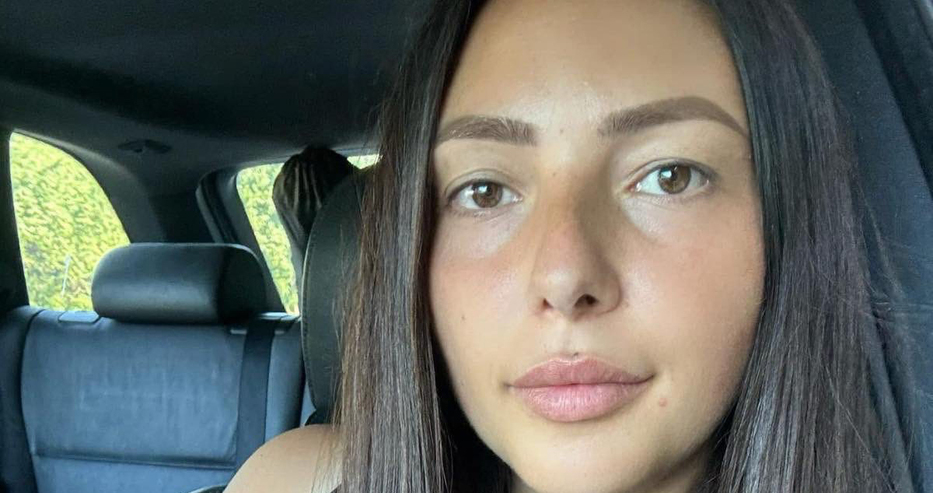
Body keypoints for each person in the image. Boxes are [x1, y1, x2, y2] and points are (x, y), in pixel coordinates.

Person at [227, 0, 913, 492]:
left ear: (784, 226)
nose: (563, 275)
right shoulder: (300, 481)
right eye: (484, 191)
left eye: (669, 177)